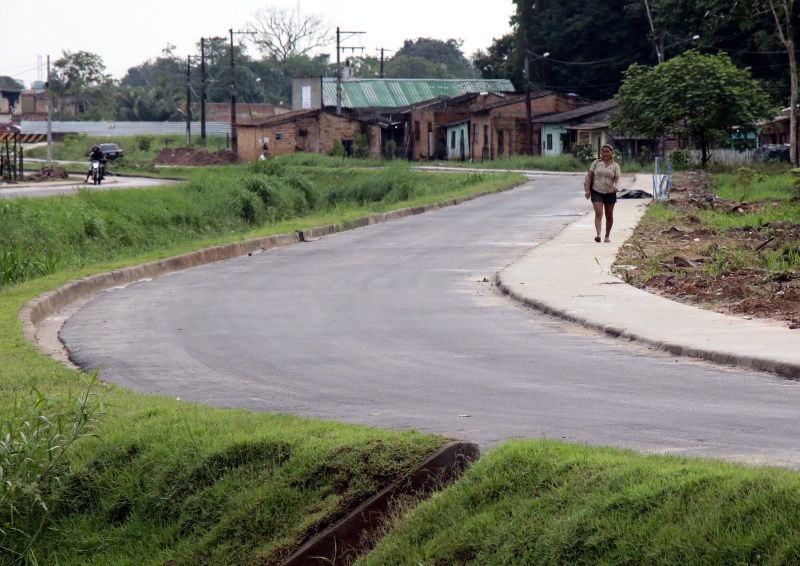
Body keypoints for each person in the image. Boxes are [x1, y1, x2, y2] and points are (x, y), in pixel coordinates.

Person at [584, 144, 621, 243]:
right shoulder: (596, 163)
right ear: (601, 153)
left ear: (611, 153)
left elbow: (617, 178)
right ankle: (598, 235)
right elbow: (589, 176)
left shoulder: (615, 165)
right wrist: (587, 190)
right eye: (603, 151)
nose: (605, 153)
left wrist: (616, 186)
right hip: (597, 191)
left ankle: (607, 236)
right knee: (598, 213)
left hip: (610, 192)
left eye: (607, 151)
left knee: (609, 215)